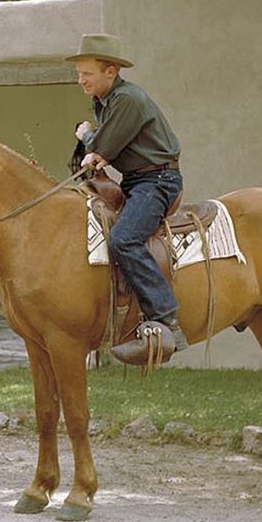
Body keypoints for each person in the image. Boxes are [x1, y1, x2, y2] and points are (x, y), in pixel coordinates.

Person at [70, 33, 189, 365]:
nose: (81, 80)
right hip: (137, 180)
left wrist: (86, 136)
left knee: (124, 238)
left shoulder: (126, 99)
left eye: (87, 73)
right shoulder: (105, 99)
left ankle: (167, 319)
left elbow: (104, 146)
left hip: (157, 181)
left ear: (110, 71)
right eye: (79, 73)